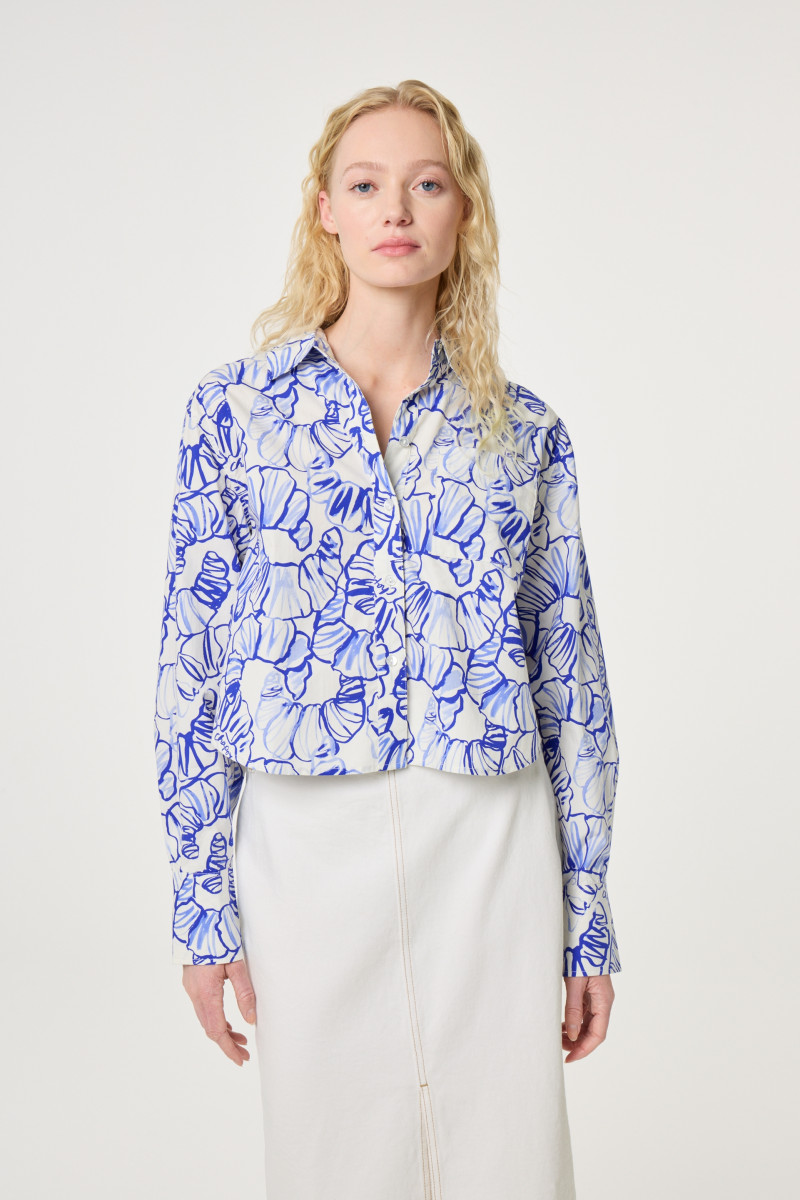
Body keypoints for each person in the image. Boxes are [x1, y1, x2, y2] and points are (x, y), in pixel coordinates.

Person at [153, 78, 621, 1200]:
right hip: (303, 843)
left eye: (426, 184)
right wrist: (202, 907)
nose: (395, 209)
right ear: (325, 211)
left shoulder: (526, 432)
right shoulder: (235, 414)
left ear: (464, 212)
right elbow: (191, 665)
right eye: (365, 185)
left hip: (488, 839)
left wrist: (588, 921)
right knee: (330, 1156)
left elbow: (571, 678)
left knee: (509, 1157)